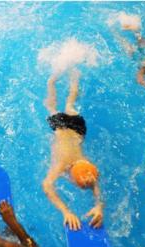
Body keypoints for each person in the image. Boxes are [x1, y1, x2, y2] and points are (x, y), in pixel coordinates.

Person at [42, 69, 104, 231]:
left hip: (77, 128)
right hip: (61, 128)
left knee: (69, 104)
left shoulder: (85, 164)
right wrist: (66, 211)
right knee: (51, 106)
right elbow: (46, 185)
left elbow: (94, 182)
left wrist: (99, 206)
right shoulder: (64, 165)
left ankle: (71, 74)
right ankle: (54, 80)